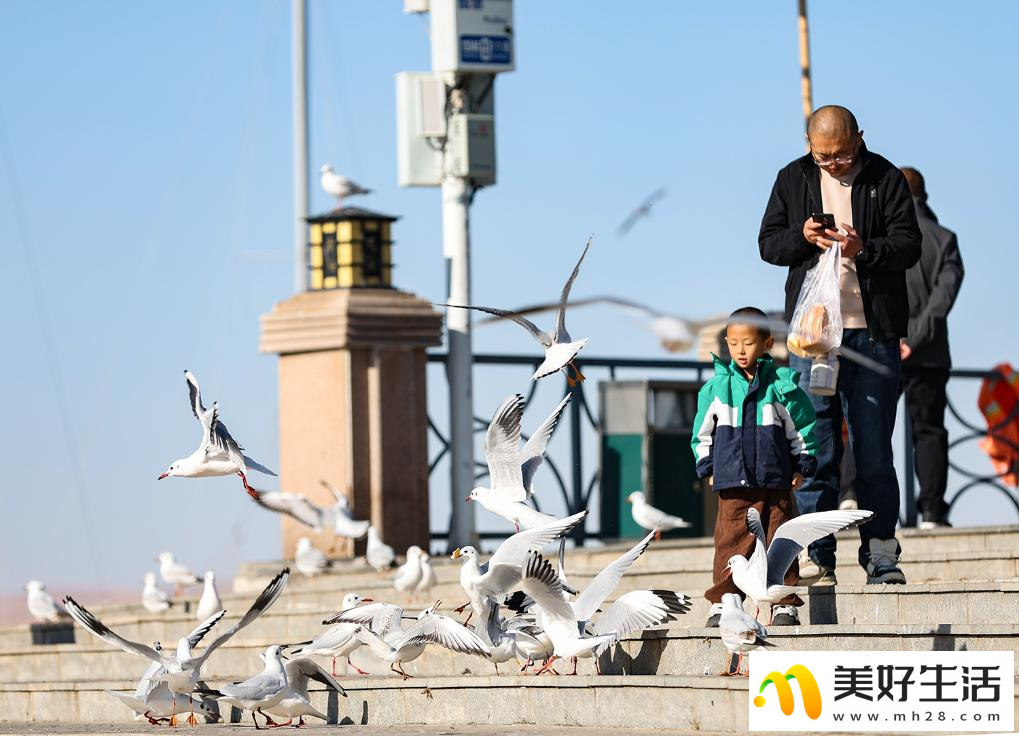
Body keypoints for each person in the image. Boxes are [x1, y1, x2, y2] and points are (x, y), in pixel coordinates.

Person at [759, 105, 922, 585]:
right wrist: (802, 237)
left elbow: (909, 245)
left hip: (872, 333)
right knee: (814, 448)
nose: (834, 164)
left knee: (874, 451)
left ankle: (880, 551)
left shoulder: (885, 177)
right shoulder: (792, 177)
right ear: (810, 146)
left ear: (859, 138)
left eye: (843, 155)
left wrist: (863, 249)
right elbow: (768, 244)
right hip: (812, 336)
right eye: (824, 157)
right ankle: (816, 553)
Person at [692, 307, 818, 626]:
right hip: (732, 483)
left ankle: (784, 603)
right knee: (730, 543)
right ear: (726, 343)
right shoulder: (716, 389)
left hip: (776, 483)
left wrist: (802, 465)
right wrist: (707, 466)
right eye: (734, 343)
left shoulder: (781, 386)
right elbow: (701, 433)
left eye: (748, 343)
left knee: (780, 540)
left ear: (767, 343)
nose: (741, 350)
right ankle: (726, 601)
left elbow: (802, 428)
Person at [898, 166, 964, 529]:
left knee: (868, 427)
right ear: (924, 195)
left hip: (884, 348)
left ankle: (853, 499)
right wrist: (917, 338)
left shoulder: (884, 236)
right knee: (929, 431)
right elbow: (942, 300)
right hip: (930, 354)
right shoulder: (945, 240)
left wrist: (898, 338)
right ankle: (932, 512)